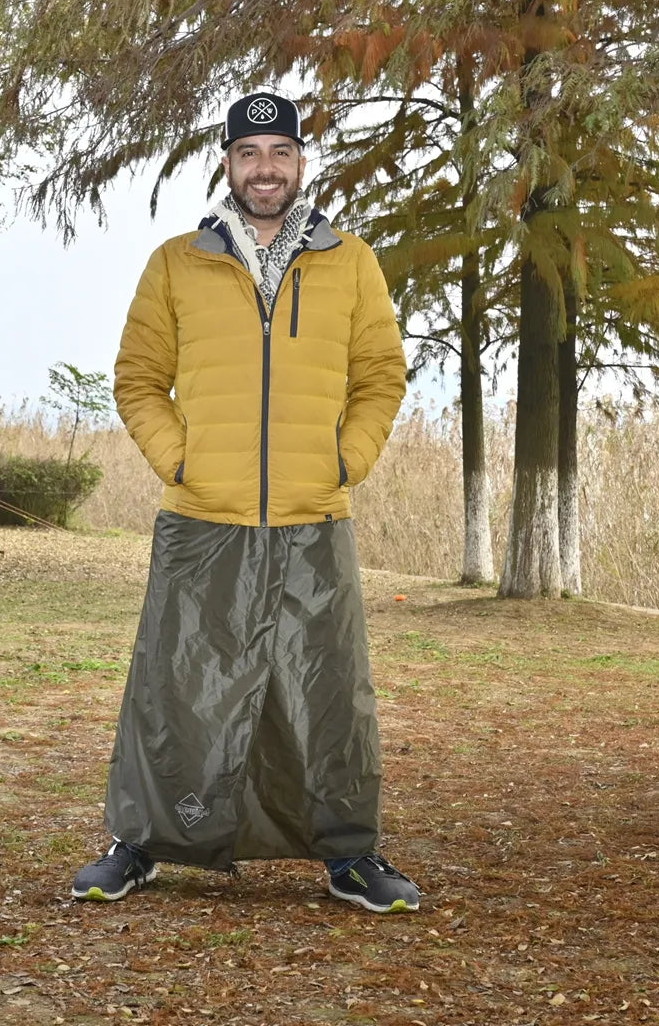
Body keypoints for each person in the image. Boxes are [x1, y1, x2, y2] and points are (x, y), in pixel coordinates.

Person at [71, 92, 419, 914]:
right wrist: (182, 459)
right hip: (202, 519)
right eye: (249, 153)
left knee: (327, 690)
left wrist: (346, 457)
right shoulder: (176, 263)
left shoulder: (351, 262)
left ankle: (349, 855)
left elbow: (381, 379)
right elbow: (138, 381)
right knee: (174, 686)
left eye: (281, 153)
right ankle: (140, 842)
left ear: (302, 163)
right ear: (226, 164)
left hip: (313, 516)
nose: (266, 169)